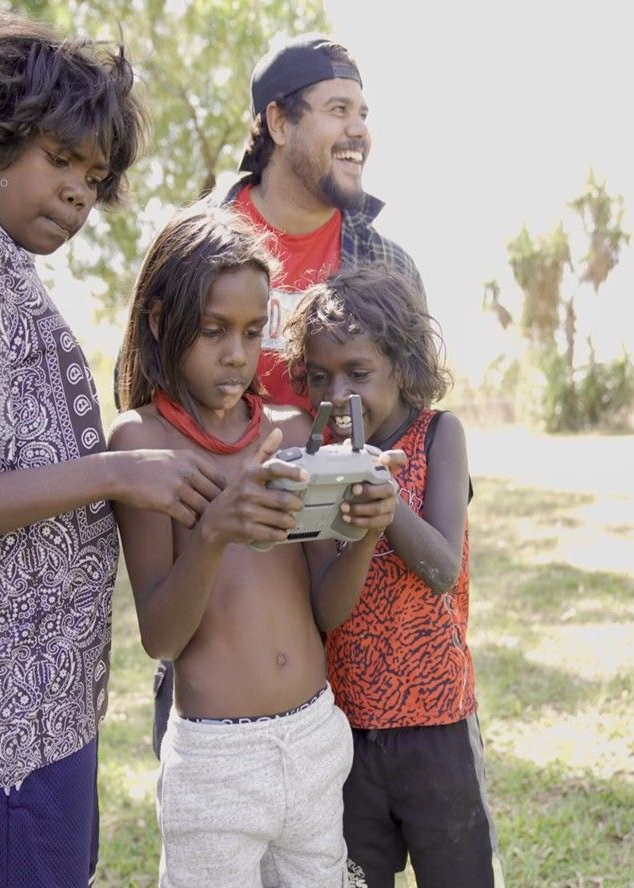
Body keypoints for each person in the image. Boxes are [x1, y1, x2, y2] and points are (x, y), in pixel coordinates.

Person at [0, 12, 225, 886]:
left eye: (93, 176)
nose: (77, 193)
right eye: (60, 159)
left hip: (49, 709)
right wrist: (109, 473)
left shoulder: (5, 271)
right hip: (11, 718)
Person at [149, 30, 427, 758]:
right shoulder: (197, 245)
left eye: (364, 113)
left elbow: (416, 431)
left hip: (351, 605)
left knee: (344, 847)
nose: (359, 130)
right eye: (338, 109)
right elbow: (152, 413)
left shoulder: (387, 265)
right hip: (220, 614)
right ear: (277, 122)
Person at [110, 204, 402, 887]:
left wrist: (364, 531)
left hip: (312, 738)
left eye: (250, 330)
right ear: (161, 322)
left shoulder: (293, 427)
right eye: (213, 331)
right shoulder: (140, 443)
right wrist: (215, 530)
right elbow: (162, 636)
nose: (238, 354)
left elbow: (326, 611)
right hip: (217, 763)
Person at [282, 265, 502, 888]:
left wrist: (384, 501)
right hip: (349, 731)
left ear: (402, 367)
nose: (338, 393)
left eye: (358, 372)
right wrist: (351, 506)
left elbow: (441, 567)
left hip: (439, 724)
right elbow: (327, 611)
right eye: (320, 377)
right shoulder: (319, 462)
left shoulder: (440, 435)